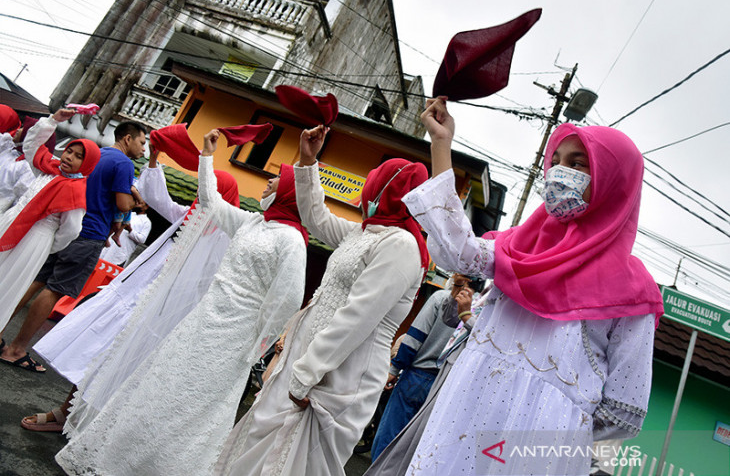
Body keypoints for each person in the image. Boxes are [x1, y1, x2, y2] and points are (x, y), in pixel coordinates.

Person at [398, 97, 663, 475]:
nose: (558, 173)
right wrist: (441, 143)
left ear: (614, 181)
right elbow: (459, 251)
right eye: (554, 161)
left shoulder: (634, 292)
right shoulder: (520, 247)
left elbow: (621, 408)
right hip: (463, 419)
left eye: (577, 164)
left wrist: (556, 420)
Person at [55, 128, 309, 476]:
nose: (265, 185)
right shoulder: (252, 223)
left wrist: (259, 343)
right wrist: (207, 155)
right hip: (202, 320)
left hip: (236, 334)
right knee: (164, 387)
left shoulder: (292, 241)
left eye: (274, 182)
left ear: (291, 194)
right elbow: (210, 200)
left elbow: (288, 298)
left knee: (196, 405)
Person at [214, 125, 429, 476]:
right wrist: (308, 161)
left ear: (390, 189)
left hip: (339, 375)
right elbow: (317, 218)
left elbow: (357, 316)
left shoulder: (400, 245)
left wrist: (307, 373)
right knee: (260, 445)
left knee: (297, 462)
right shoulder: (366, 233)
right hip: (306, 359)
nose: (367, 186)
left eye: (376, 179)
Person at [21, 143, 238, 432]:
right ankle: (66, 414)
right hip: (133, 300)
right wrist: (156, 158)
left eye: (207, 190)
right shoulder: (189, 217)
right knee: (97, 356)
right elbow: (159, 198)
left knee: (126, 374)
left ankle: (91, 430)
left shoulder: (225, 238)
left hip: (161, 317)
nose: (200, 195)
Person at [0, 120, 146, 372]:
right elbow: (122, 205)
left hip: (64, 226)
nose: (144, 149)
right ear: (128, 138)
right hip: (88, 234)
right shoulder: (123, 163)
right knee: (55, 290)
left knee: (32, 281)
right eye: (142, 143)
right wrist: (137, 203)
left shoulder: (96, 154)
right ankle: (16, 349)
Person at [0, 110, 100, 354]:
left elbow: (71, 230)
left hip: (34, 240)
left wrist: (45, 244)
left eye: (78, 156)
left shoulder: (75, 190)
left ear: (87, 165)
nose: (70, 157)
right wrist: (54, 119)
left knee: (9, 284)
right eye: (69, 151)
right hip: (11, 225)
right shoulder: (47, 168)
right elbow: (33, 143)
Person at [370, 274, 474, 461]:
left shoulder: (440, 298)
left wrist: (394, 369)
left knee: (388, 440)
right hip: (444, 387)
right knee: (415, 450)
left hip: (416, 377)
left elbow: (414, 337)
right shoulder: (480, 314)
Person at [0, 109, 37, 213]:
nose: (19, 129)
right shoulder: (8, 151)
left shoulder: (27, 167)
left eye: (24, 129)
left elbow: (19, 201)